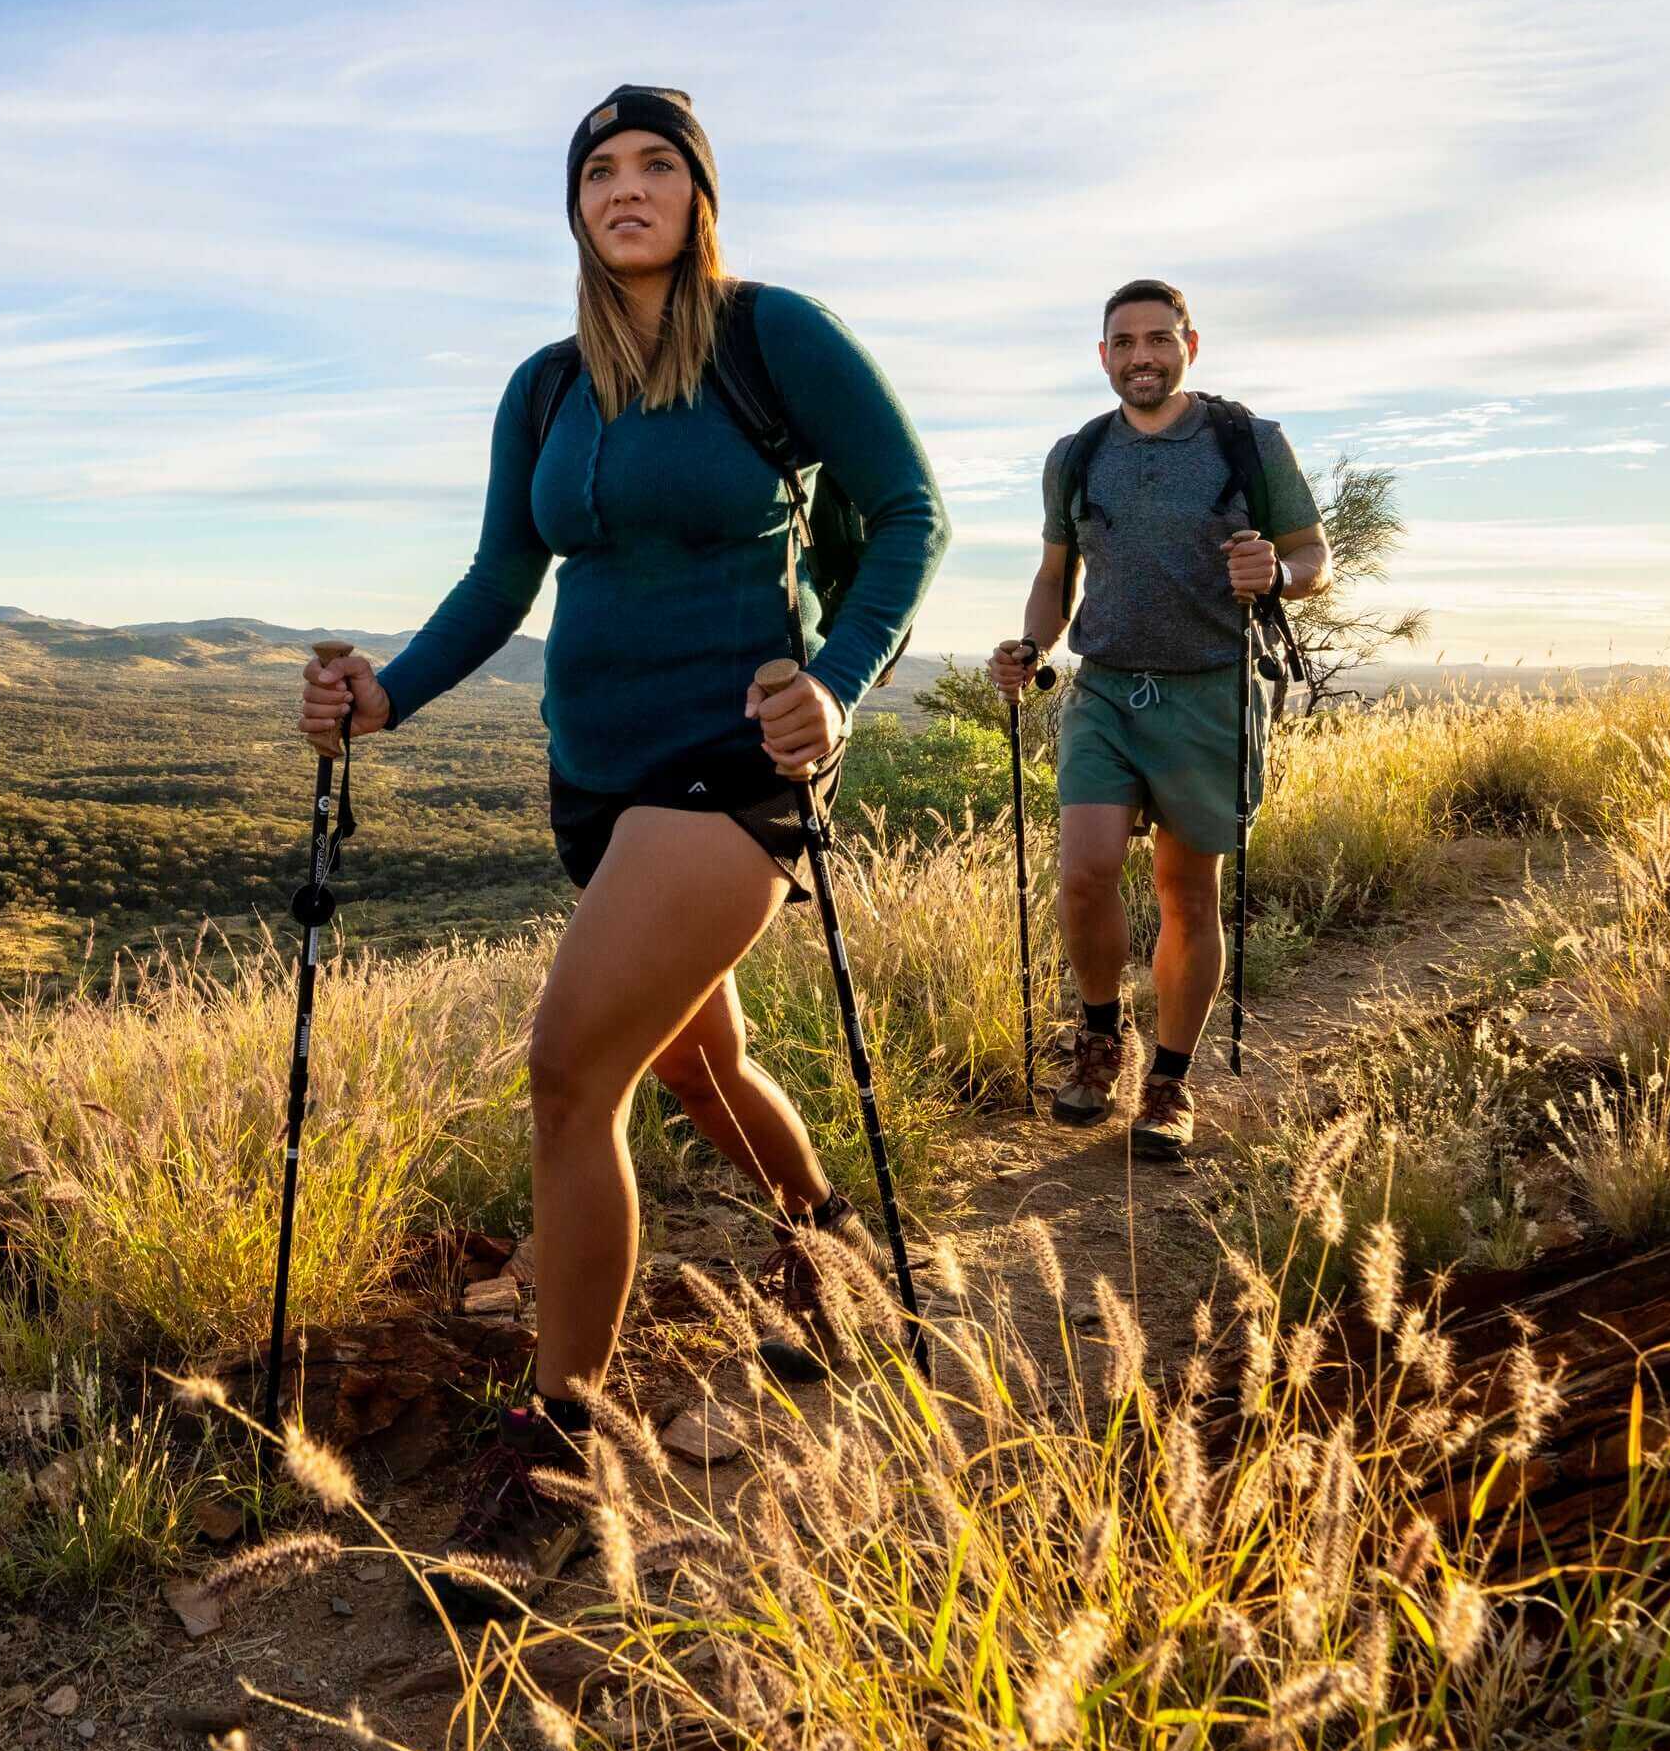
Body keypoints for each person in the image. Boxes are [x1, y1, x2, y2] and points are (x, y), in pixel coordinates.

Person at [299, 85, 946, 1615]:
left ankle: (560, 1436)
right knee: (690, 1059)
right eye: (601, 167)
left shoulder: (772, 336)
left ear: (701, 192)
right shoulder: (544, 386)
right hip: (590, 772)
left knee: (566, 1067)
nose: (627, 186)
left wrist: (833, 684)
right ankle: (823, 1238)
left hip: (734, 756)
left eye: (658, 163)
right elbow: (500, 571)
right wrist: (384, 695)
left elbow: (907, 510)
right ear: (575, 204)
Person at [988, 280, 1328, 1163]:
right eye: (1123, 342)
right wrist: (1028, 643)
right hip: (1104, 688)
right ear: (1103, 355)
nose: (1141, 355)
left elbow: (1311, 556)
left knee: (1186, 894)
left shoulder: (1245, 440)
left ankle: (1169, 1085)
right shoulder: (1078, 454)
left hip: (1208, 688)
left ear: (1190, 345)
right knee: (1084, 874)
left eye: (1158, 339)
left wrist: (1278, 577)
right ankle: (1102, 1041)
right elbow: (1056, 574)